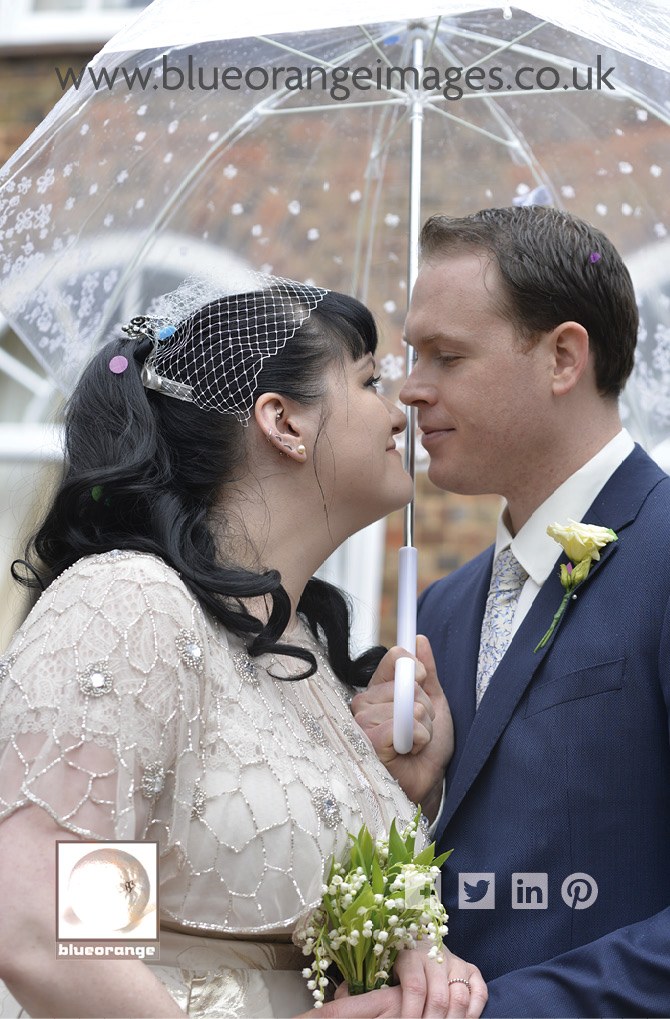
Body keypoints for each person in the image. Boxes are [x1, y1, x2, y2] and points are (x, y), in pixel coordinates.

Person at [0, 276, 486, 1019]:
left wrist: (409, 789)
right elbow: (49, 926)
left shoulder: (308, 648)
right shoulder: (135, 604)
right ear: (282, 420)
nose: (399, 411)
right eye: (369, 380)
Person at [352, 207, 670, 1017]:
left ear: (564, 357)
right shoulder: (444, 607)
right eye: (412, 356)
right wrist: (416, 800)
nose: (412, 388)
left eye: (447, 356)